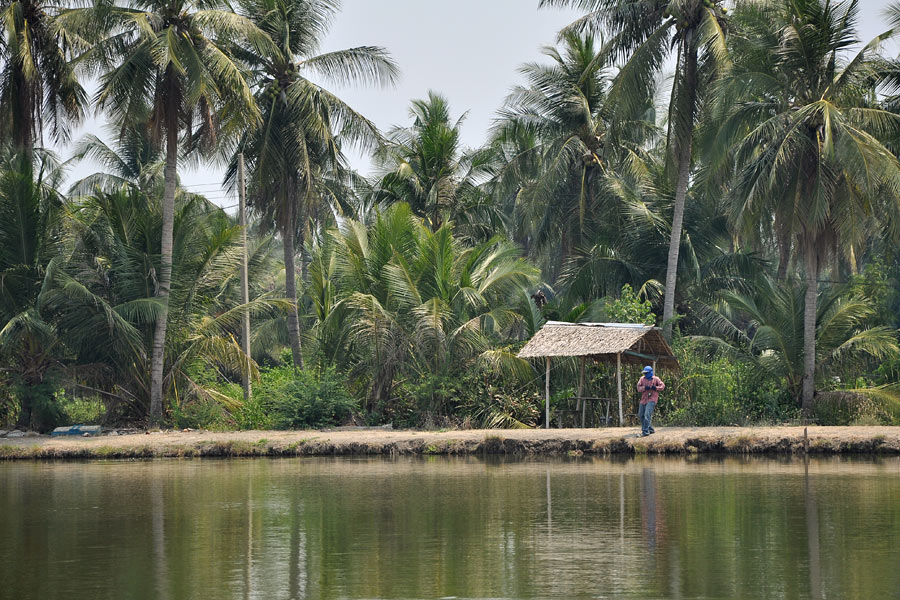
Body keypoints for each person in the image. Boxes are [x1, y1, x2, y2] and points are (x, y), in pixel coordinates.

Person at [636, 366, 664, 437]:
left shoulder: (656, 379)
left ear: (651, 372)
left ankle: (645, 431)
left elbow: (662, 386)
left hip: (652, 399)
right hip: (643, 399)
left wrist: (656, 388)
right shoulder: (642, 379)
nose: (645, 374)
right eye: (644, 373)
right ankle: (650, 429)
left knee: (647, 414)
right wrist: (644, 388)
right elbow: (638, 388)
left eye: (647, 373)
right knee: (641, 415)